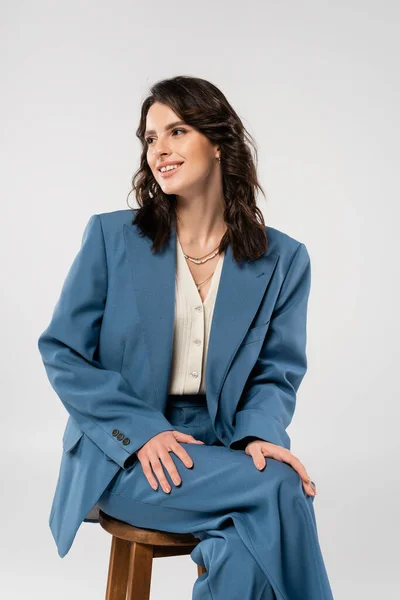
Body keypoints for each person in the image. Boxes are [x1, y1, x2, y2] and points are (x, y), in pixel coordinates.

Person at [37, 75, 335, 599]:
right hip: (126, 453)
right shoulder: (111, 238)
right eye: (151, 138)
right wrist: (140, 430)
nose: (160, 150)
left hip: (223, 449)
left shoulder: (283, 259)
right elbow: (63, 352)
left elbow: (276, 370)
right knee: (280, 488)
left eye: (176, 131)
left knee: (243, 545)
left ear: (218, 142)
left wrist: (259, 433)